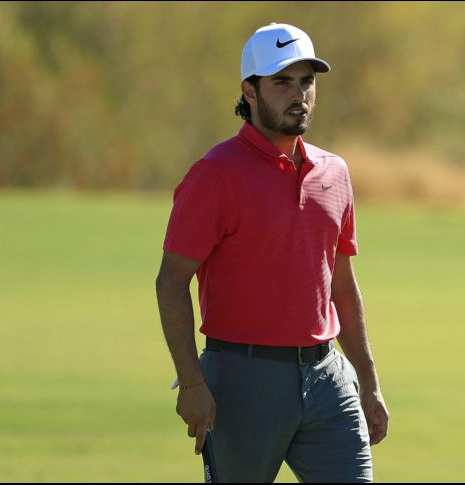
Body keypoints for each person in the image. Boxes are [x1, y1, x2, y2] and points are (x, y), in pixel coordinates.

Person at [155, 23, 389, 483]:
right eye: (282, 82)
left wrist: (368, 379)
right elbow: (171, 280)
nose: (297, 94)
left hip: (328, 381)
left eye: (306, 81)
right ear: (250, 90)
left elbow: (341, 282)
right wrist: (192, 382)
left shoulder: (334, 172)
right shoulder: (214, 175)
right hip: (242, 382)